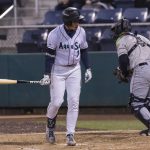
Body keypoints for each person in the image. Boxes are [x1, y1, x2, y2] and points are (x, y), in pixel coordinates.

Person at [40, 7, 92, 146]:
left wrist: (88, 68)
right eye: (76, 21)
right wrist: (46, 74)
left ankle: (70, 134)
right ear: (68, 21)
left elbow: (84, 50)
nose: (78, 23)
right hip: (58, 70)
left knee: (74, 101)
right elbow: (49, 56)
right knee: (56, 102)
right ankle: (50, 128)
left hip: (74, 70)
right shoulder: (54, 34)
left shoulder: (81, 31)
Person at [111, 18, 150, 136]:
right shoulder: (142, 38)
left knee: (136, 104)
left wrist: (124, 72)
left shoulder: (121, 39)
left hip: (142, 69)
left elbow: (123, 61)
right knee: (147, 102)